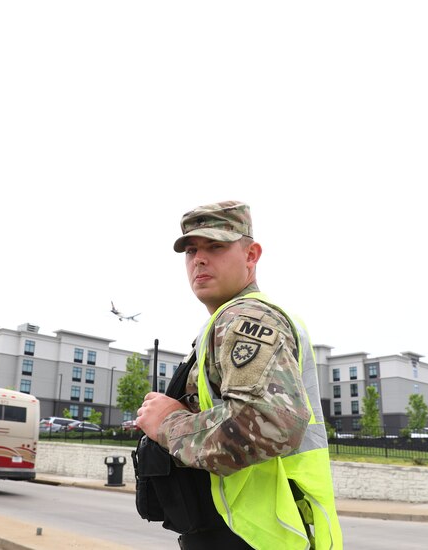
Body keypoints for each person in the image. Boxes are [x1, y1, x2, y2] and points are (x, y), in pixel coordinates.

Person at [135, 201, 342, 549]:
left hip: (256, 537)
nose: (199, 259)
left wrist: (168, 424)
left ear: (251, 255)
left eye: (215, 246)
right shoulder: (220, 325)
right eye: (191, 250)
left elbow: (270, 423)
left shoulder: (246, 319)